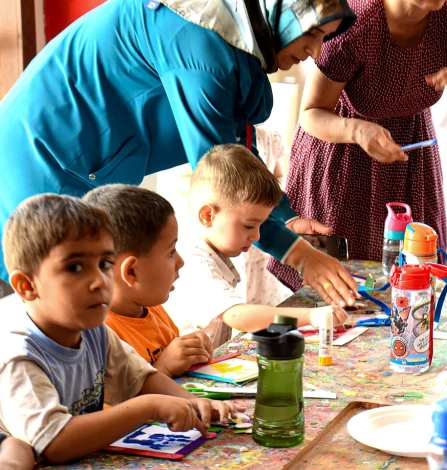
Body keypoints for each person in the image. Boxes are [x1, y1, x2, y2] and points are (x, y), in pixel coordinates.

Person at [0, 0, 358, 307]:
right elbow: (225, 183)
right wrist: (299, 254)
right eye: (312, 34)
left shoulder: (226, 31)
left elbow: (237, 156)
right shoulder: (201, 47)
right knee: (50, 303)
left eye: (324, 39)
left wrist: (282, 217)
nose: (316, 53)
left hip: (79, 161)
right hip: (41, 158)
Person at [271, 0, 447, 289]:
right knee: (335, 287)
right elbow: (311, 114)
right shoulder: (357, 20)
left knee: (412, 281)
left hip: (411, 157)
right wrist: (358, 131)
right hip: (343, 154)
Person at [0, 194, 234, 464]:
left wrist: (192, 402)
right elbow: (56, 443)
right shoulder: (19, 357)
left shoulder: (94, 333)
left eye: (104, 264)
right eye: (75, 267)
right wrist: (150, 407)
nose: (100, 281)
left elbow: (140, 379)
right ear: (27, 286)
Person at [166, 144, 348, 345]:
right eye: (249, 225)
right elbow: (238, 317)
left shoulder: (215, 250)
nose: (256, 235)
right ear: (208, 215)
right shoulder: (196, 261)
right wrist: (311, 317)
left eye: (261, 224)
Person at [84, 184, 214, 376]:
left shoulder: (150, 307)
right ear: (131, 272)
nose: (181, 261)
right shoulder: (98, 335)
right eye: (171, 252)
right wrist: (163, 368)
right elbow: (118, 403)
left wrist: (190, 351)